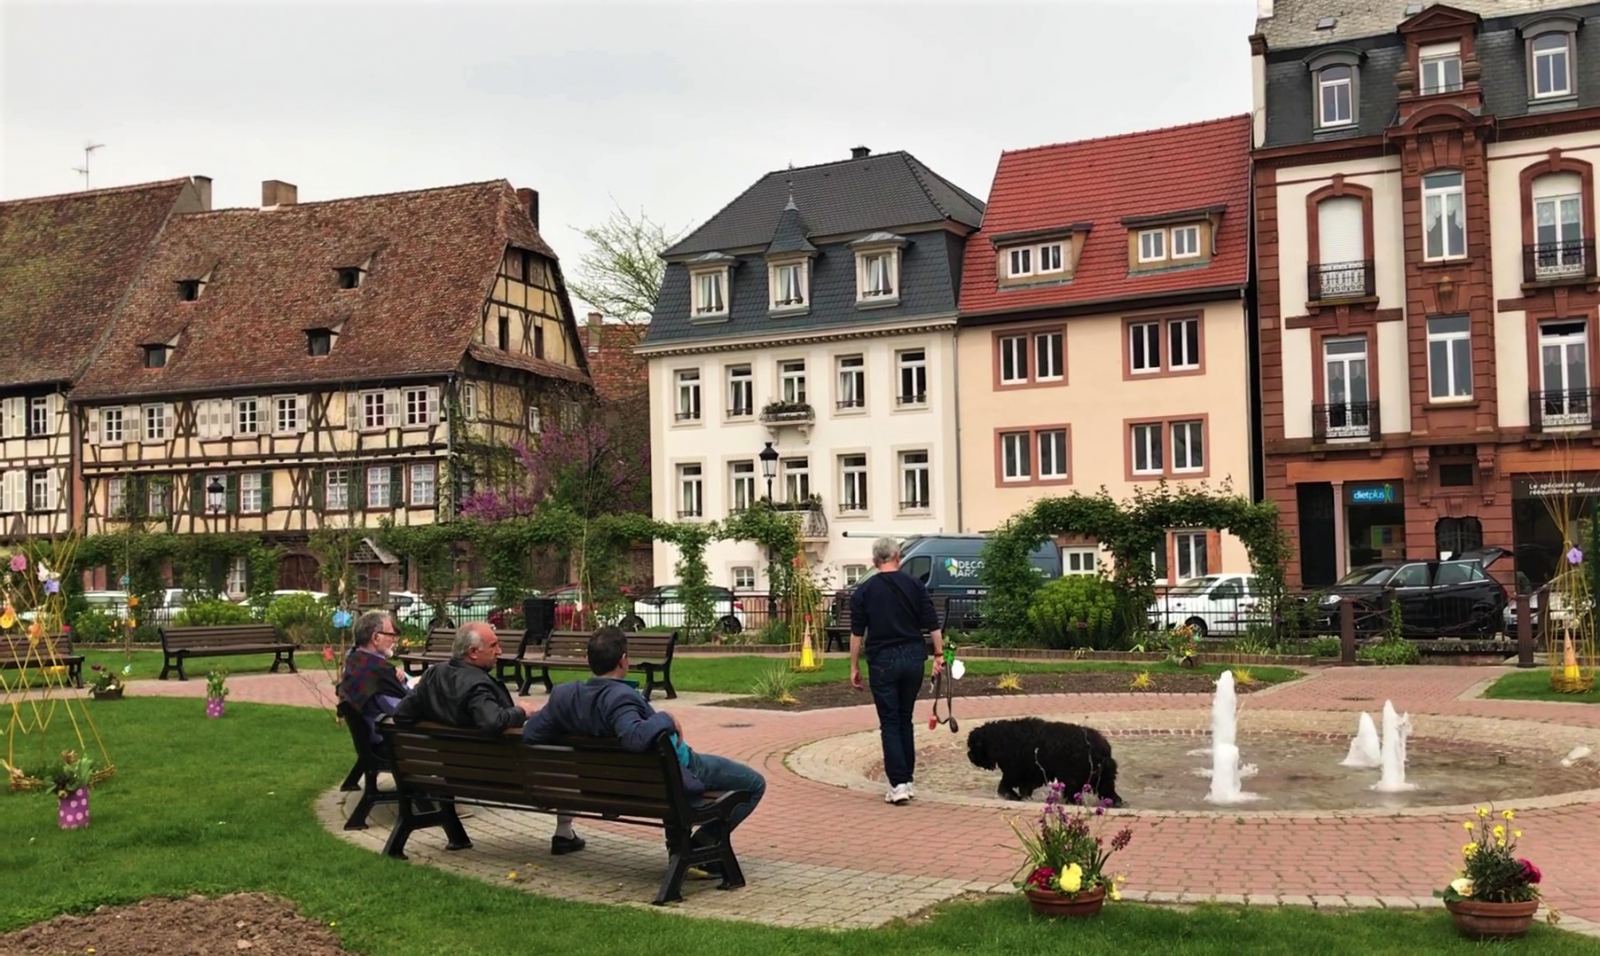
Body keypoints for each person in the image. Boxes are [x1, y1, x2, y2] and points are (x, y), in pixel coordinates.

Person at [523, 626, 765, 866]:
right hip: (679, 772)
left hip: (608, 783)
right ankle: (701, 847)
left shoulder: (565, 697)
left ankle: (696, 847)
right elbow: (635, 738)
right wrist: (667, 718)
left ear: (588, 660)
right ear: (623, 660)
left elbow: (531, 732)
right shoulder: (620, 698)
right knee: (754, 784)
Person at [395, 622, 586, 855]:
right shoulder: (477, 685)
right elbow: (492, 722)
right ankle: (564, 833)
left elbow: (401, 715)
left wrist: (440, 718)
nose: (500, 651)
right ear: (473, 652)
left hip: (453, 773)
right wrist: (522, 711)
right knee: (564, 755)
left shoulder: (433, 675)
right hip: (507, 777)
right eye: (494, 646)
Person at [850, 536, 944, 805]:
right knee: (905, 718)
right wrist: (939, 655)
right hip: (913, 656)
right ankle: (907, 780)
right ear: (898, 557)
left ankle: (898, 784)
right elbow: (932, 624)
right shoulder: (915, 585)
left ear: (874, 561)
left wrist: (854, 666)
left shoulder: (865, 591)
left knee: (890, 721)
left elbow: (857, 633)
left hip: (883, 660)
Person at [336, 609, 410, 745]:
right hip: (392, 744)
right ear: (376, 638)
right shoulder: (380, 673)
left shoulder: (354, 662)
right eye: (391, 635)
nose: (394, 640)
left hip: (374, 742)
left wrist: (402, 678)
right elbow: (404, 711)